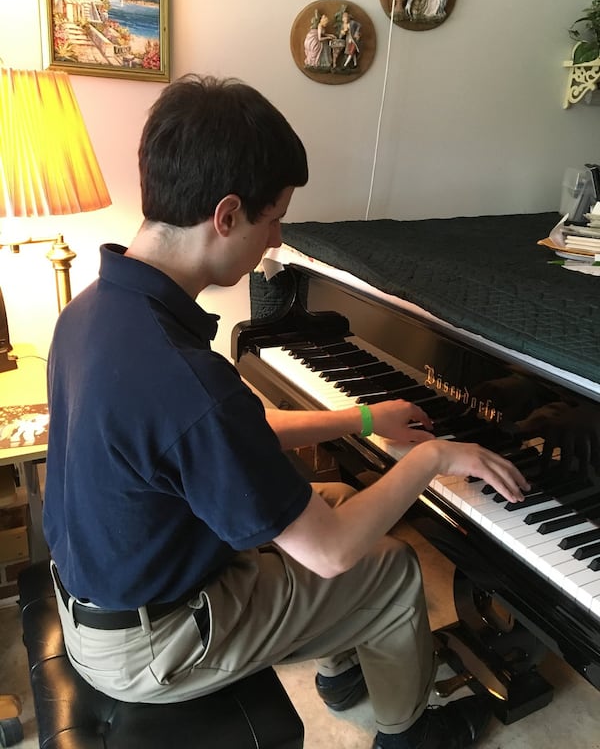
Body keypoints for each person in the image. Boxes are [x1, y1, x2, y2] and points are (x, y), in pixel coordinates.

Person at [43, 74, 528, 749]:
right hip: (153, 646)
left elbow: (235, 436)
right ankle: (407, 733)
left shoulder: (95, 310)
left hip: (114, 592)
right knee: (386, 569)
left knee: (322, 494)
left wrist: (362, 419)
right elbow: (329, 554)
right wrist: (434, 457)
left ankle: (344, 667)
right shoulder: (182, 379)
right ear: (227, 215)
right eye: (274, 220)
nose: (275, 242)